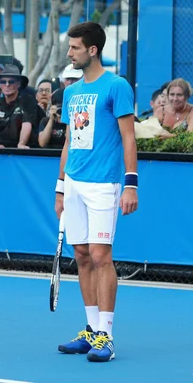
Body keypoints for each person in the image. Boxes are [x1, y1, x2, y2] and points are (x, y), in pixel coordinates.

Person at [54, 21, 138, 362]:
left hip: (104, 185)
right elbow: (69, 142)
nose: (69, 53)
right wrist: (60, 187)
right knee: (82, 256)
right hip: (73, 184)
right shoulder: (71, 93)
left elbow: (129, 137)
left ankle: (107, 336)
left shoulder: (117, 86)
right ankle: (91, 331)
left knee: (102, 256)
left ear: (92, 50)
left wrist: (130, 183)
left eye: (74, 47)